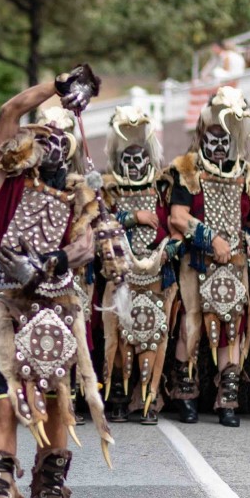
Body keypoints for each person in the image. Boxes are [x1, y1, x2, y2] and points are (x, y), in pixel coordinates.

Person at [0, 65, 113, 498]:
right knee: (6, 405)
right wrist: (58, 86)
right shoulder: (2, 181)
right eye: (45, 137)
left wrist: (56, 259)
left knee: (56, 407)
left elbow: (86, 247)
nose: (53, 145)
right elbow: (10, 110)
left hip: (56, 316)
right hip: (7, 314)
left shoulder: (75, 197)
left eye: (61, 139)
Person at [167, 87, 250, 428]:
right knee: (191, 325)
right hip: (197, 262)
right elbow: (177, 217)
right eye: (213, 135)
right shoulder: (187, 169)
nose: (219, 143)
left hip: (235, 265)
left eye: (225, 136)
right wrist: (210, 238)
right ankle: (185, 394)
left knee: (232, 329)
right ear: (203, 133)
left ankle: (228, 398)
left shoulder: (247, 174)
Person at [99, 105, 174, 425]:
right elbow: (98, 225)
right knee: (119, 334)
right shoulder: (107, 187)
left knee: (153, 332)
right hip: (121, 271)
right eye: (126, 158)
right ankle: (118, 394)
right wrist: (134, 217)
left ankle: (148, 397)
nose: (133, 164)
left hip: (157, 271)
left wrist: (169, 249)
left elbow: (176, 224)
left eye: (138, 157)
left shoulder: (164, 184)